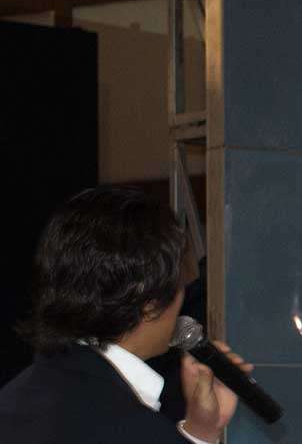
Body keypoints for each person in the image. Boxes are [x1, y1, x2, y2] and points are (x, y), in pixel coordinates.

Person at [0, 187, 252, 443]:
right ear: (150, 305)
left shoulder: (14, 400)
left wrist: (200, 431)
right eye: (179, 279)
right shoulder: (135, 428)